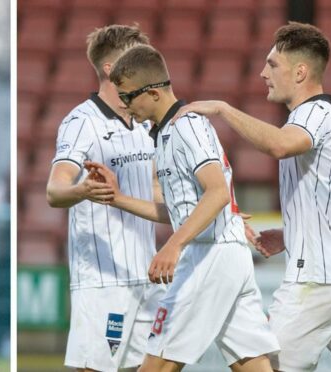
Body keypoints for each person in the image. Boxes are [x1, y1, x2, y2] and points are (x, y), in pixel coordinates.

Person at [172, 22, 331, 372]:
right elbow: (330, 197)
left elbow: (279, 145)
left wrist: (223, 110)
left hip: (318, 277)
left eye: (272, 65)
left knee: (265, 367)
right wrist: (292, 235)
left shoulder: (312, 116)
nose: (262, 73)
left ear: (301, 71)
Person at [85, 44, 280, 372]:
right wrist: (115, 197)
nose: (124, 104)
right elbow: (177, 212)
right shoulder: (162, 137)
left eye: (129, 96)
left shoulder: (186, 126)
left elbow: (216, 192)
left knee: (156, 365)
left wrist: (172, 246)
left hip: (208, 254)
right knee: (254, 365)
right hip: (221, 252)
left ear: (154, 93)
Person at [45, 25, 166, 372]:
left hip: (146, 275)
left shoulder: (145, 126)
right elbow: (55, 190)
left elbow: (156, 196)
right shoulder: (81, 122)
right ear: (112, 69)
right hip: (103, 281)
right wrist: (82, 190)